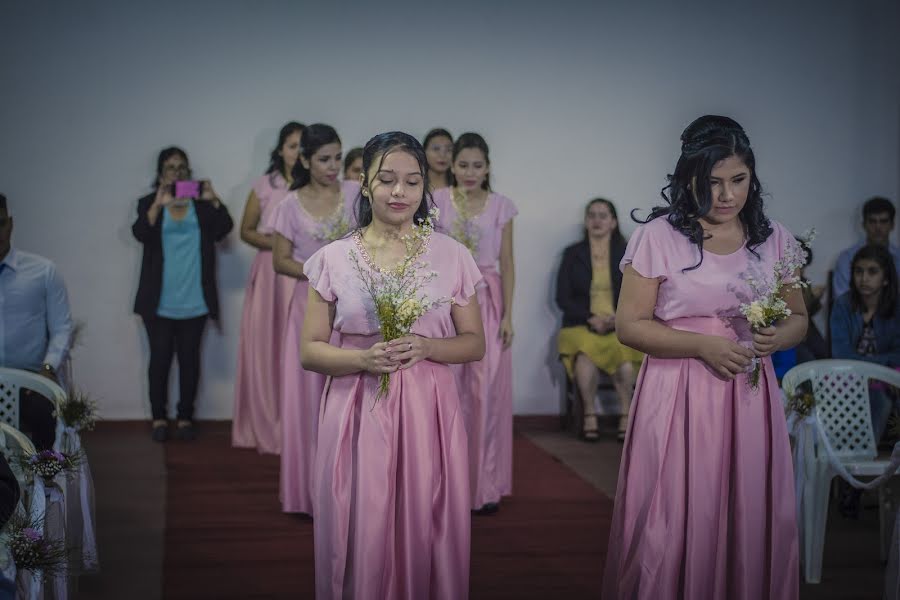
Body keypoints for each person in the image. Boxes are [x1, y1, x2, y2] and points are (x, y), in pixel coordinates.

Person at [602, 115, 803, 599]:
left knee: (746, 505)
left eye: (738, 181)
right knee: (670, 513)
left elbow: (798, 316)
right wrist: (701, 344)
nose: (726, 195)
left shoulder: (774, 238)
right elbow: (630, 326)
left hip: (749, 395)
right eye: (712, 183)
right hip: (676, 391)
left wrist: (778, 338)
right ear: (688, 179)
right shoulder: (658, 236)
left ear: (752, 179)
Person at [301, 131, 484, 600]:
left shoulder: (452, 254)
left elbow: (473, 343)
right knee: (362, 518)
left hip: (429, 407)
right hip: (356, 406)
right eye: (386, 180)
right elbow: (310, 349)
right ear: (364, 184)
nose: (399, 192)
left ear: (425, 188)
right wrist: (361, 358)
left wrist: (426, 347)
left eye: (412, 182)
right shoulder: (334, 257)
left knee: (426, 514)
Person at [271, 123, 357, 515]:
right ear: (304, 160)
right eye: (324, 159)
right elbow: (279, 259)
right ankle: (308, 495)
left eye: (338, 158)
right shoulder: (289, 204)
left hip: (354, 309)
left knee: (351, 396)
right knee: (307, 399)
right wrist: (321, 272)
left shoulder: (357, 194)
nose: (333, 166)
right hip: (309, 306)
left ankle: (353, 489)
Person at [432, 132, 515, 514]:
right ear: (452, 165)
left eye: (477, 165)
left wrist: (509, 314)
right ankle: (443, 483)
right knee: (448, 393)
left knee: (485, 395)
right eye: (462, 164)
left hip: (488, 300)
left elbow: (507, 263)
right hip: (446, 302)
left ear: (488, 167)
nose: (469, 172)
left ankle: (483, 485)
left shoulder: (502, 207)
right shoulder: (436, 202)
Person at [132, 147, 233, 442]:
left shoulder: (200, 206)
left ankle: (186, 417)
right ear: (160, 173)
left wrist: (214, 200)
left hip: (195, 299)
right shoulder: (149, 202)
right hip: (158, 301)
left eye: (181, 168)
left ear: (189, 172)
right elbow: (140, 233)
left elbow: (225, 229)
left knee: (190, 360)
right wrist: (158, 205)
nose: (176, 173)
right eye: (170, 168)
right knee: (159, 360)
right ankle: (159, 418)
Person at [232, 121, 304, 454]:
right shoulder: (265, 184)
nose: (297, 152)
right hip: (270, 275)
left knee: (300, 346)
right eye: (292, 146)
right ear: (280, 150)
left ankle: (298, 424)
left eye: (303, 147)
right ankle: (266, 422)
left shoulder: (315, 188)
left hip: (303, 273)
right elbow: (245, 230)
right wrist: (276, 243)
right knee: (267, 345)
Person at [556, 198, 642, 442]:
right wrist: (590, 318)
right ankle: (590, 414)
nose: (597, 220)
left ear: (613, 222)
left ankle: (626, 415)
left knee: (625, 361)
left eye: (603, 215)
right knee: (584, 356)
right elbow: (562, 297)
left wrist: (617, 319)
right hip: (581, 324)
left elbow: (637, 294)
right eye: (592, 215)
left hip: (619, 324)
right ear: (585, 221)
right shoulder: (573, 254)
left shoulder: (628, 254)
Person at [0, 193, 72, 450]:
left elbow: (62, 329)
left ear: (10, 223)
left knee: (43, 420)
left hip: (32, 378)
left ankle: (44, 485)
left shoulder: (43, 271)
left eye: (0, 224)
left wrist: (48, 370)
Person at [830, 244, 900, 441]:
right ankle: (862, 457)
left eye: (872, 272)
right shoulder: (843, 304)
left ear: (886, 278)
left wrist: (885, 372)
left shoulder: (896, 306)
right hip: (849, 375)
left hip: (891, 374)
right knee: (877, 398)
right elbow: (841, 354)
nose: (864, 278)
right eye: (858, 271)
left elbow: (898, 353)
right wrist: (878, 370)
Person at [832, 197, 899, 299]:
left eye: (883, 221)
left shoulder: (898, 257)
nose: (878, 227)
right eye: (872, 221)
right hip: (857, 313)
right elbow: (842, 299)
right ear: (864, 225)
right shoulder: (847, 258)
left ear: (892, 225)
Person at [794, 240, 829, 362]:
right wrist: (812, 296)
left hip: (808, 330)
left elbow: (811, 311)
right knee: (809, 360)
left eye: (804, 265)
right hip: (794, 335)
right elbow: (792, 311)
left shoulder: (804, 281)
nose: (802, 270)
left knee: (824, 353)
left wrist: (817, 299)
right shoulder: (781, 284)